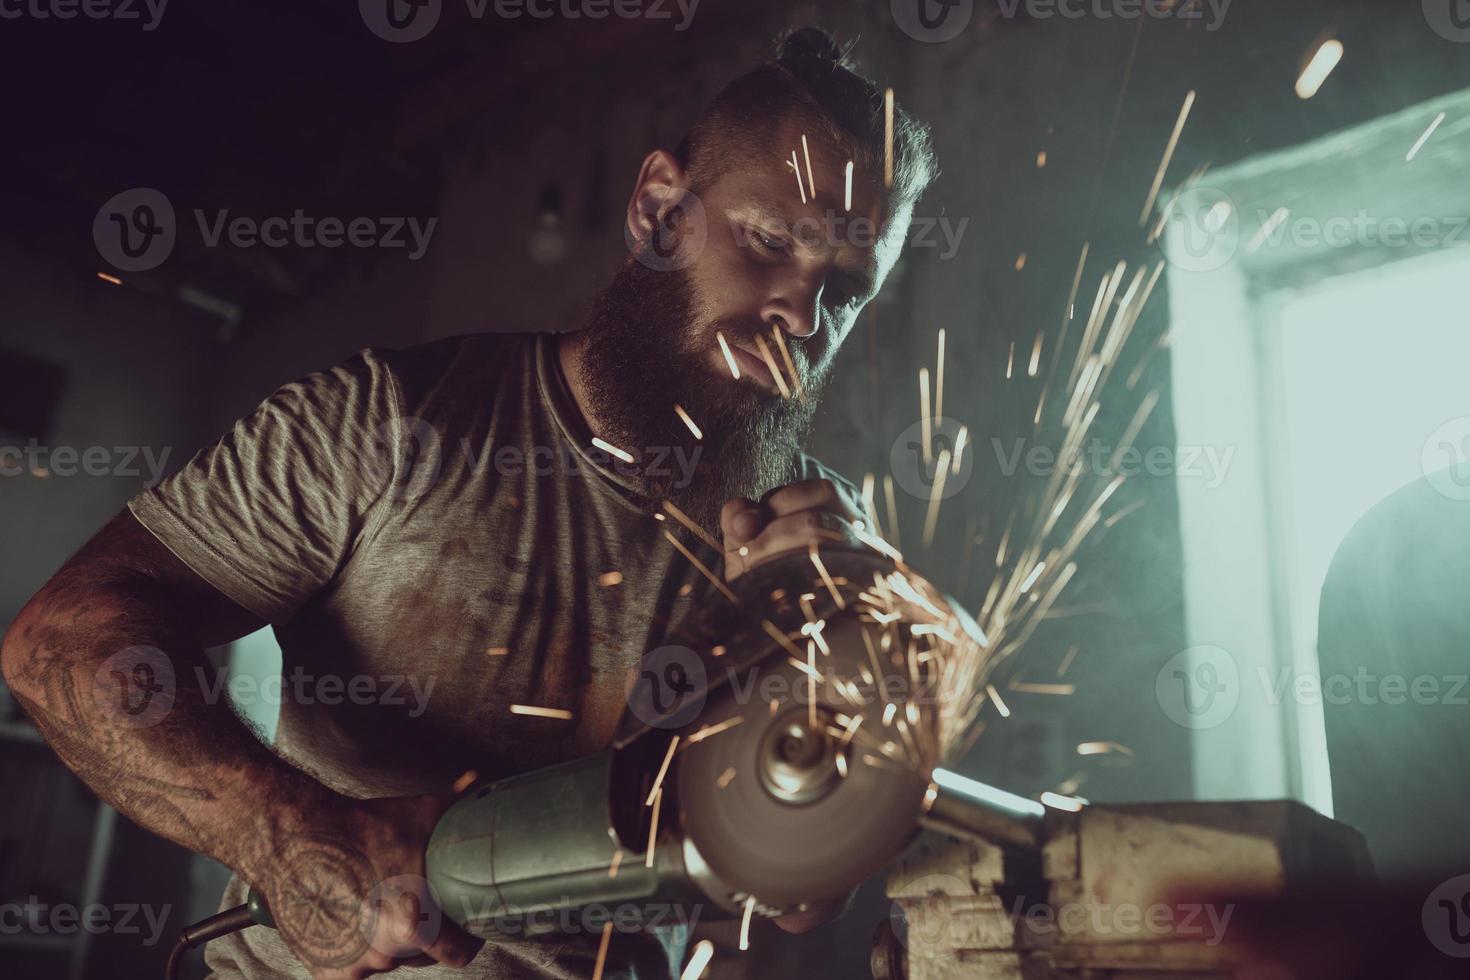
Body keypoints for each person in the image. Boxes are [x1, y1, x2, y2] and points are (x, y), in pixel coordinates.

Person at [0, 26, 937, 980]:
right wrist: (289, 835)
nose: (801, 316)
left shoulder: (814, 547)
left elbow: (799, 902)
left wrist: (857, 678)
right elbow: (58, 641)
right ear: (660, 214)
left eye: (848, 291)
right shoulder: (390, 423)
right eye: (771, 241)